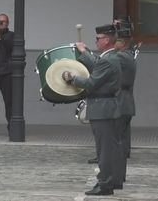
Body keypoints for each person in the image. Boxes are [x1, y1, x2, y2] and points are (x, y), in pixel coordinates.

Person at [62, 24, 123, 196]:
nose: (95, 41)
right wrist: (85, 52)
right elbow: (97, 63)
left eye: (97, 38)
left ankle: (105, 184)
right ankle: (108, 181)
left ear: (106, 40)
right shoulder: (110, 57)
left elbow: (91, 83)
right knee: (107, 148)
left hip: (103, 109)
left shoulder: (108, 59)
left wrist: (72, 78)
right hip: (106, 108)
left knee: (104, 150)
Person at [113, 16, 137, 185]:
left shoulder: (121, 57)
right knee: (118, 142)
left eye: (116, 41)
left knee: (115, 143)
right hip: (125, 102)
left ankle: (115, 177)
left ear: (122, 42)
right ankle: (117, 176)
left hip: (120, 102)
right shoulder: (126, 55)